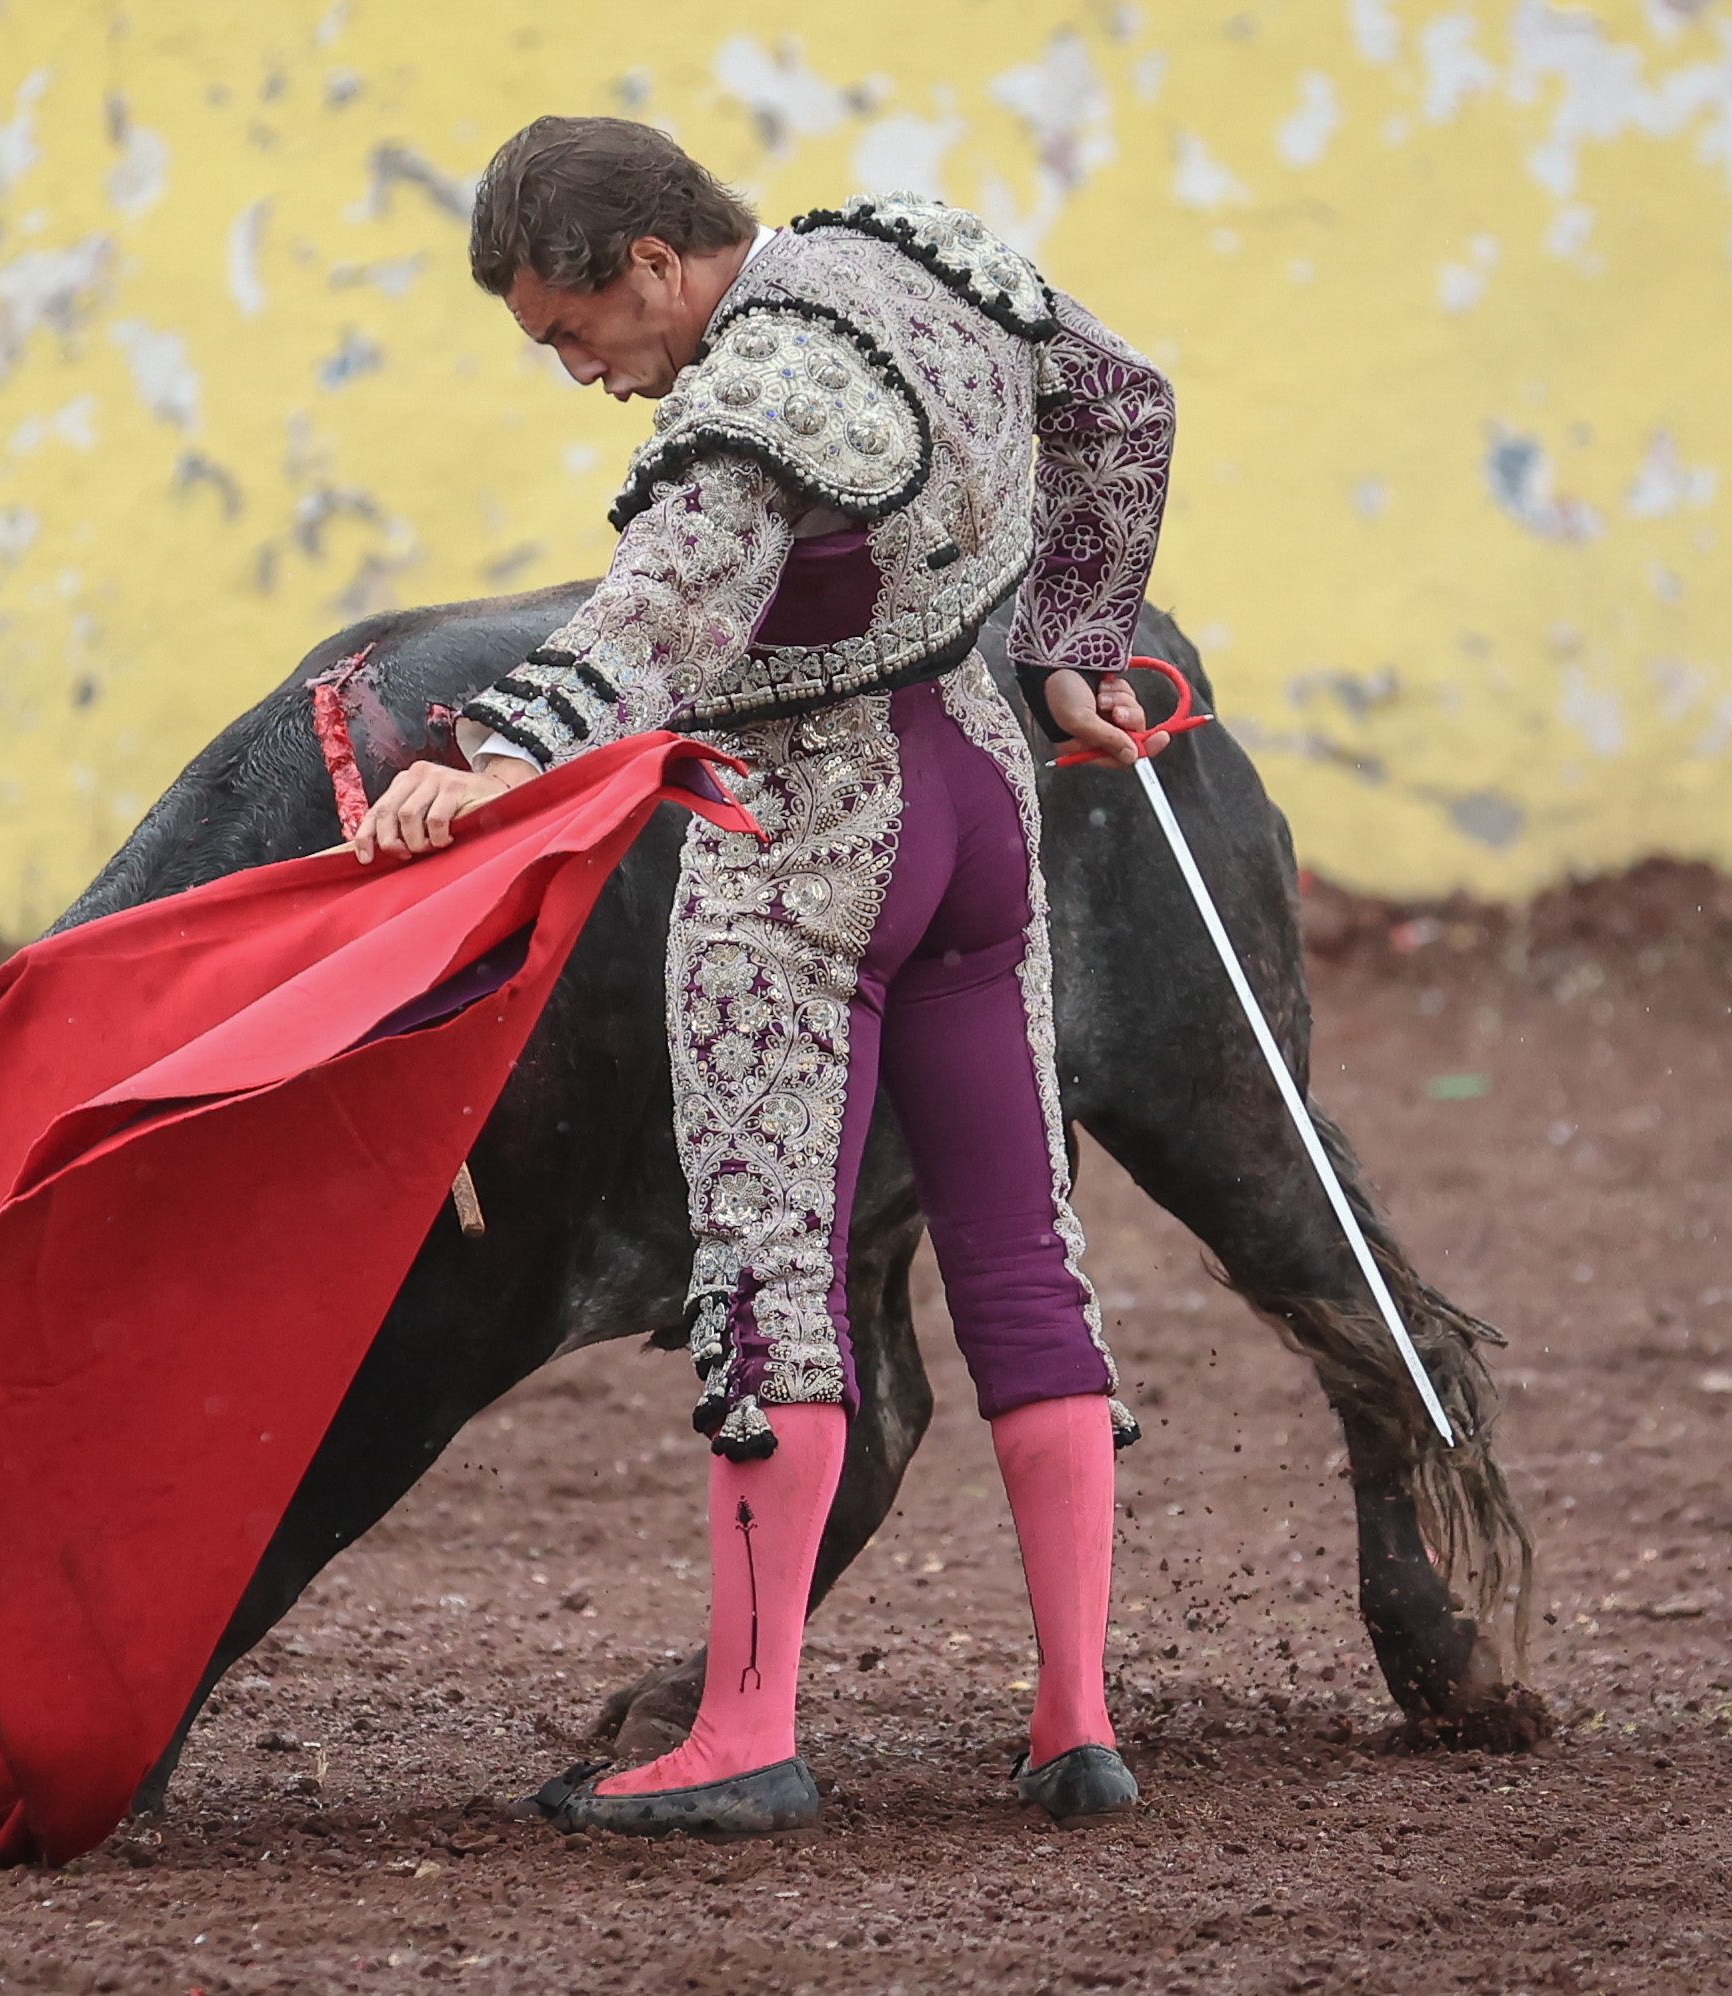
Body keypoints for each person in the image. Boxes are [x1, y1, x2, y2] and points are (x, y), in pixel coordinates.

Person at [354, 116, 1178, 1838]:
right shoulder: (906, 251)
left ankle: (743, 1730)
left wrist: (491, 753)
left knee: (763, 1273)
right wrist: (1075, 642)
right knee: (1023, 1253)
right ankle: (1077, 1721)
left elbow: (655, 616)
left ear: (657, 262)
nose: (583, 373)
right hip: (981, 802)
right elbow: (1120, 400)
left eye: (575, 331)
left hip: (806, 843)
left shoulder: (748, 405)